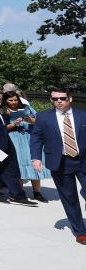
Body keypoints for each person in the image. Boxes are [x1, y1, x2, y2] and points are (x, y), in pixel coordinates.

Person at [30, 87, 86, 244]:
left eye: (62, 98)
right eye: (55, 99)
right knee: (69, 198)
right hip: (60, 162)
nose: (59, 101)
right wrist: (35, 158)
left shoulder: (83, 116)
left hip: (83, 161)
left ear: (70, 99)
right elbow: (36, 138)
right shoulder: (43, 117)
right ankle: (80, 231)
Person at [1, 90, 49, 202]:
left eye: (15, 100)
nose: (14, 102)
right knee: (18, 164)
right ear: (6, 101)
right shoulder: (3, 111)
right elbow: (2, 127)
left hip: (28, 137)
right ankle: (20, 192)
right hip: (14, 138)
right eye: (10, 100)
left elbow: (38, 121)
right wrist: (13, 124)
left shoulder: (26, 107)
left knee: (33, 162)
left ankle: (37, 192)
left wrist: (30, 120)